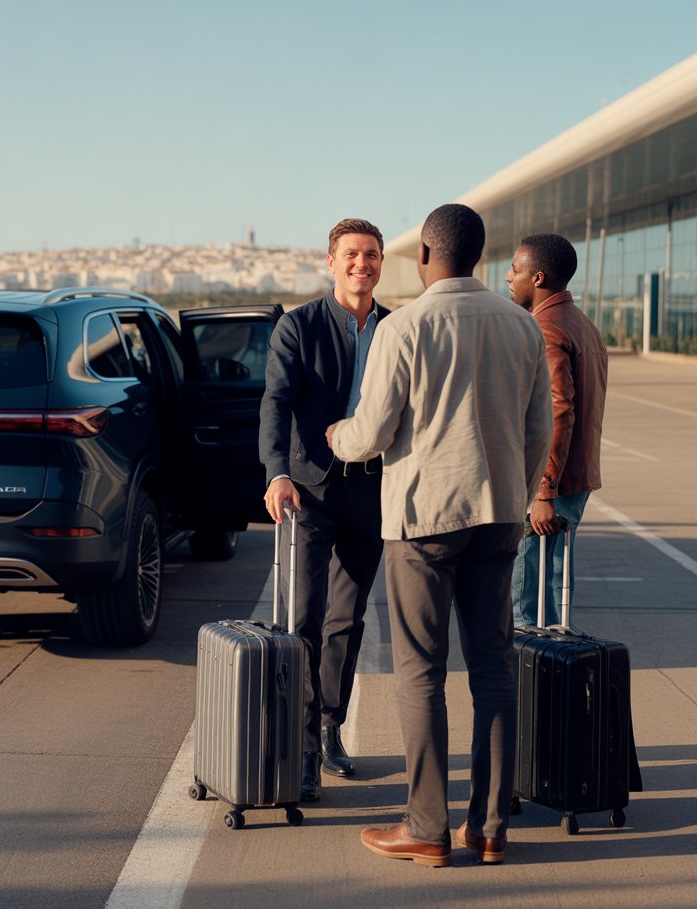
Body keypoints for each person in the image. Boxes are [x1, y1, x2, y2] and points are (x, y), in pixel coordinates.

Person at [326, 204, 552, 867]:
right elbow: (541, 429)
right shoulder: (521, 326)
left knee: (419, 671)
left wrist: (338, 436)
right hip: (500, 513)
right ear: (479, 256)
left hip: (425, 519)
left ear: (426, 255)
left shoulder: (408, 326)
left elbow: (370, 434)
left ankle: (426, 824)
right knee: (493, 667)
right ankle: (488, 827)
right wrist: (516, 486)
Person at [259, 218, 389, 802]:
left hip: (372, 491)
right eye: (353, 255)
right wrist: (277, 473)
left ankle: (333, 727)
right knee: (306, 618)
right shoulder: (299, 325)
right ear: (331, 262)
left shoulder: (394, 328)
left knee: (348, 618)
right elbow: (276, 403)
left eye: (373, 255)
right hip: (310, 491)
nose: (363, 264)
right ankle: (305, 745)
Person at [506, 234, 608, 628]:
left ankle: (531, 686)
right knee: (553, 602)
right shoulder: (580, 322)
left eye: (516, 269)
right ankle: (550, 683)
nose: (507, 277)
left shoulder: (548, 329)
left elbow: (558, 411)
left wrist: (543, 490)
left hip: (551, 486)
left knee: (526, 610)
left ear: (538, 277)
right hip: (572, 480)